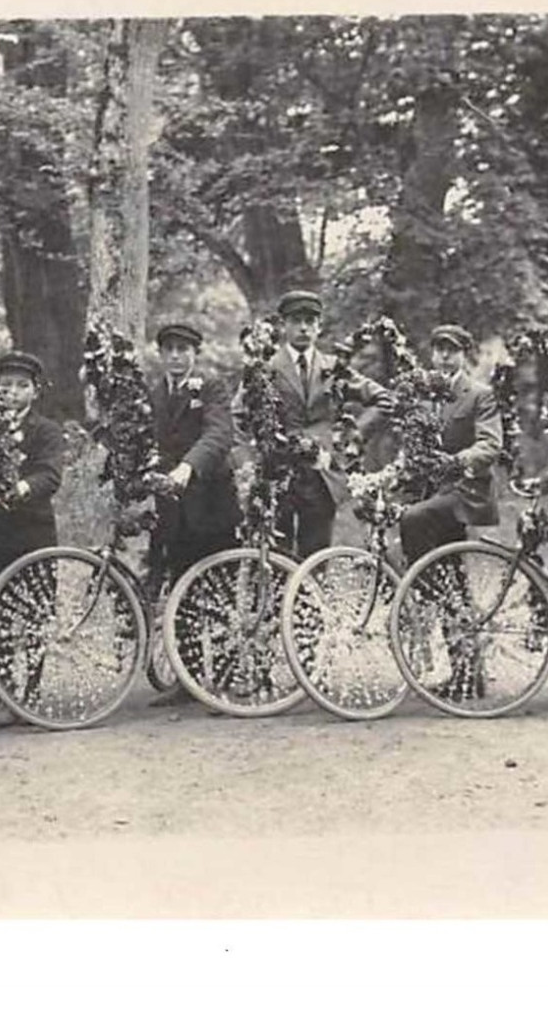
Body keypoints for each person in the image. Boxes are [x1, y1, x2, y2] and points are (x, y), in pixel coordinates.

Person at [397, 325, 504, 701]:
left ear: (464, 355)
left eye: (452, 350)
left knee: (413, 522)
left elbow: (490, 445)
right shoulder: (422, 395)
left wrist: (455, 462)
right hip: (430, 492)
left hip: (464, 491)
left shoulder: (479, 395)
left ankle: (422, 587)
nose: (444, 356)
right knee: (452, 580)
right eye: (439, 349)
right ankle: (467, 673)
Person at [146, 323, 241, 708]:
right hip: (172, 510)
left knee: (217, 591)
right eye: (169, 349)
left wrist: (186, 468)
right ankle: (186, 681)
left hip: (212, 505)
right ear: (161, 354)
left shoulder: (212, 388)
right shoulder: (155, 394)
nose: (176, 356)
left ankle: (222, 679)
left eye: (183, 349)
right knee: (180, 592)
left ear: (195, 353)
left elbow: (219, 436)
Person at [0, 351, 68, 727]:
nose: (11, 393)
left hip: (33, 532)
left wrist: (21, 487)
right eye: (5, 386)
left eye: (20, 386)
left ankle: (31, 689)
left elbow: (50, 474)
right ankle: (4, 689)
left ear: (34, 391)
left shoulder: (46, 431)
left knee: (36, 613)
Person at [265, 289, 392, 559]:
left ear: (319, 327)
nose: (303, 328)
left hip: (321, 472)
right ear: (283, 325)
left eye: (310, 321)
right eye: (295, 320)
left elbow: (383, 400)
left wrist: (353, 436)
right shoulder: (266, 369)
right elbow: (239, 416)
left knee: (316, 554)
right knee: (276, 556)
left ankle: (310, 602)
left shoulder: (334, 368)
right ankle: (277, 603)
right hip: (278, 471)